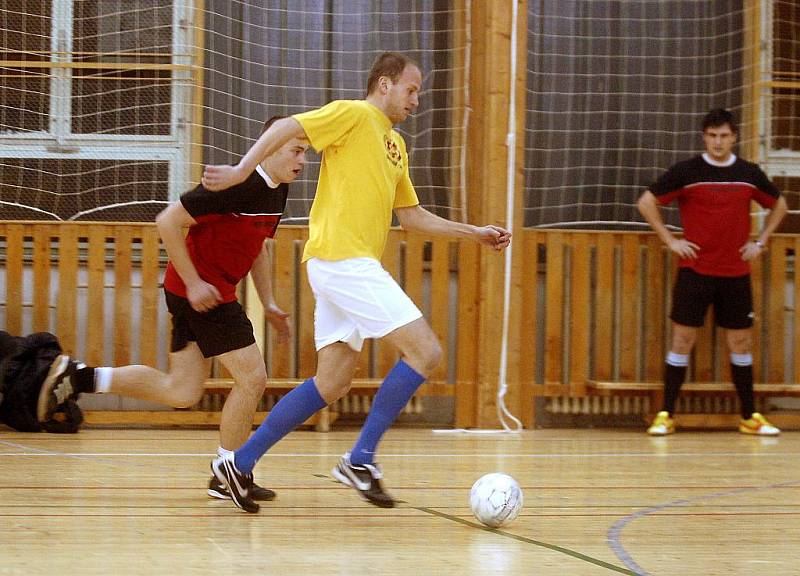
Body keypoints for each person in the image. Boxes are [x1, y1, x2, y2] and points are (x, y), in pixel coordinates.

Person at [201, 52, 512, 513]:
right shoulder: (353, 113)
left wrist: (475, 234)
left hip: (342, 265)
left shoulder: (395, 145)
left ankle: (239, 463)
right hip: (343, 261)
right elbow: (288, 125)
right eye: (411, 90)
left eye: (418, 92)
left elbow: (410, 216)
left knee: (332, 382)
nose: (416, 100)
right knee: (426, 351)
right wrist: (243, 171)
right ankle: (360, 460)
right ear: (384, 85)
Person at [36, 116, 309, 502]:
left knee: (181, 391)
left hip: (200, 292)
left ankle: (82, 377)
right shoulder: (237, 186)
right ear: (268, 146)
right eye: (295, 150)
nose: (302, 160)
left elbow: (258, 247)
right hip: (202, 293)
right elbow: (167, 221)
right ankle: (228, 468)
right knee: (252, 378)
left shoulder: (277, 190)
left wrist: (269, 302)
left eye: (305, 152)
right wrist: (196, 283)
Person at [637, 108, 787, 437]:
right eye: (712, 135)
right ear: (704, 137)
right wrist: (670, 241)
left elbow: (780, 204)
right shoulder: (687, 171)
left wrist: (760, 243)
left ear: (734, 137)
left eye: (724, 135)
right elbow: (646, 202)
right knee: (682, 339)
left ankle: (749, 416)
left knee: (741, 342)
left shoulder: (748, 173)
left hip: (735, 271)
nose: (718, 142)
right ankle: (666, 414)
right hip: (695, 270)